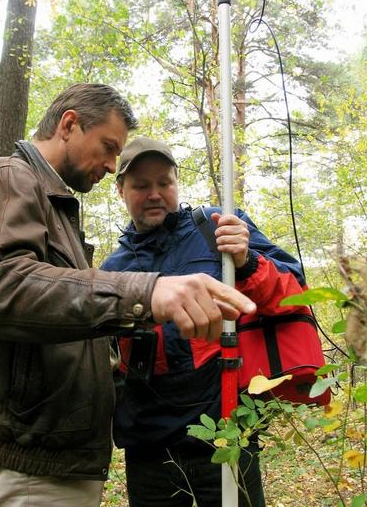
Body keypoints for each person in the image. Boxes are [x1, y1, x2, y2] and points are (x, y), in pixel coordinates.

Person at [0, 84, 255, 507]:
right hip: (27, 457)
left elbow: (57, 313)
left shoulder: (53, 206)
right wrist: (147, 290)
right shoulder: (6, 178)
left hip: (55, 455)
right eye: (107, 147)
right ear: (69, 124)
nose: (108, 164)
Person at [101, 136, 308, 507]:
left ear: (176, 184)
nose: (154, 194)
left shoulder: (217, 229)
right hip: (149, 445)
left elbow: (294, 293)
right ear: (120, 191)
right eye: (141, 185)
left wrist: (246, 261)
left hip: (225, 431)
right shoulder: (113, 270)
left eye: (164, 182)